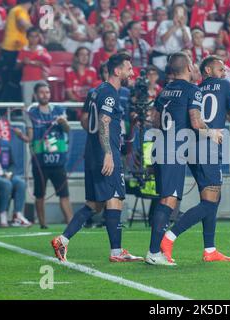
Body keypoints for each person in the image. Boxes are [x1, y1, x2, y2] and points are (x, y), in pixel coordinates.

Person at [51, 53, 143, 263]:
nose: (132, 72)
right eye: (128, 68)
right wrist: (109, 153)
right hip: (105, 154)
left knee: (95, 204)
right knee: (115, 199)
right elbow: (103, 122)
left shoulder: (95, 92)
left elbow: (85, 120)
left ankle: (62, 240)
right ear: (117, 71)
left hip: (92, 153)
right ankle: (116, 251)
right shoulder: (110, 94)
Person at [156, 58, 230, 264]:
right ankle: (169, 237)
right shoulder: (224, 84)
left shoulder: (195, 88)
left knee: (213, 198)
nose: (225, 71)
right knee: (210, 201)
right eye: (221, 68)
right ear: (209, 69)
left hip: (190, 146)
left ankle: (210, 249)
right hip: (208, 144)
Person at [146, 52, 222, 266]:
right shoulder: (192, 90)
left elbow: (155, 121)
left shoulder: (164, 91)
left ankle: (156, 250)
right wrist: (212, 133)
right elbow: (196, 123)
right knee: (168, 200)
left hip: (162, 146)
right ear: (189, 67)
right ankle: (154, 251)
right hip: (175, 149)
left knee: (166, 199)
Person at [20, 83, 73, 229]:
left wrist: (64, 123)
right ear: (36, 95)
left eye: (47, 92)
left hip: (58, 160)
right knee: (40, 195)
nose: (45, 95)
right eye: (42, 93)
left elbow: (67, 130)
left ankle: (71, 222)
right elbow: (30, 137)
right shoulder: (31, 112)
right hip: (40, 161)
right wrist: (22, 136)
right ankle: (43, 224)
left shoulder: (59, 110)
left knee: (64, 194)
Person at [0, 0, 33, 101]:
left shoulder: (14, 10)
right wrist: (35, 31)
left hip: (11, 49)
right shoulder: (19, 10)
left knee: (11, 80)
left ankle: (7, 106)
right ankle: (6, 107)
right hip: (12, 50)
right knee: (13, 81)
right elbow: (23, 23)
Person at [16, 27, 52, 107]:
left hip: (40, 79)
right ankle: (27, 120)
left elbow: (46, 64)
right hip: (27, 80)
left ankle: (43, 119)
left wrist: (31, 62)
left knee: (43, 102)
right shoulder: (23, 50)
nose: (34, 39)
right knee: (27, 104)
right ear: (27, 37)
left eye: (36, 36)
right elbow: (17, 66)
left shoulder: (42, 50)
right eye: (31, 36)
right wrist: (23, 62)